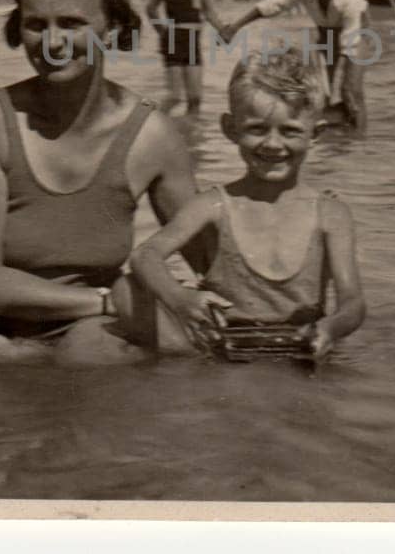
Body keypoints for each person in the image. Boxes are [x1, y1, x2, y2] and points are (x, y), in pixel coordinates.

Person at [0, 0, 204, 365]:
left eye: (71, 24)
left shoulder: (152, 136)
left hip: (90, 335)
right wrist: (106, 302)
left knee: (94, 356)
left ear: (113, 28)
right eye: (35, 25)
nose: (52, 42)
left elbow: (210, 258)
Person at [125, 51, 365, 360]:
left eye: (290, 130)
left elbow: (353, 302)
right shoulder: (212, 205)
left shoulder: (332, 214)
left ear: (315, 135)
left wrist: (332, 328)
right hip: (227, 353)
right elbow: (145, 255)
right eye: (257, 129)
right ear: (230, 129)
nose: (273, 144)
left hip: (304, 350)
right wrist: (180, 299)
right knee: (126, 292)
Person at [221, 0, 369, 136]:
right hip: (327, 34)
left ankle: (360, 139)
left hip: (358, 34)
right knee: (321, 94)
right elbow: (272, 5)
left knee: (351, 90)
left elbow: (350, 41)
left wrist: (346, 75)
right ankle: (327, 138)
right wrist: (235, 26)